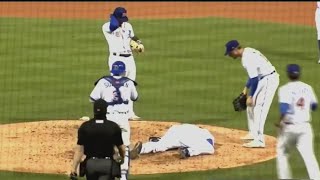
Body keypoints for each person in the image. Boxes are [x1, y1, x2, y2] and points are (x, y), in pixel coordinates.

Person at [224, 40, 280, 148]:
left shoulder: (246, 59)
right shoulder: (248, 51)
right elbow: (253, 75)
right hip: (263, 78)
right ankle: (253, 132)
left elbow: (254, 79)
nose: (229, 55)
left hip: (269, 80)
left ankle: (259, 140)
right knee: (250, 106)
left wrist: (250, 96)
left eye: (230, 53)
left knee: (259, 108)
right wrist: (246, 89)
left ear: (234, 50)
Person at [89, 61, 138, 180]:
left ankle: (108, 172)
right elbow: (135, 97)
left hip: (109, 120)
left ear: (112, 70)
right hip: (123, 119)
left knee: (107, 146)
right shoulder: (129, 82)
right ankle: (123, 175)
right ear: (123, 71)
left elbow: (92, 99)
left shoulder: (103, 81)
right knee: (125, 147)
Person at [276, 64, 320, 180]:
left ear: (288, 74)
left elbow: (284, 109)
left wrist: (279, 122)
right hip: (305, 127)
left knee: (282, 152)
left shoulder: (284, 89)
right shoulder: (308, 87)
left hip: (289, 128)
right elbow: (315, 106)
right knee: (309, 156)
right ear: (299, 74)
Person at [102, 7, 144, 120]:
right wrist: (115, 18)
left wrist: (138, 44)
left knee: (130, 85)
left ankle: (130, 113)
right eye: (121, 18)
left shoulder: (128, 25)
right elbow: (113, 26)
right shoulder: (106, 26)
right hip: (116, 59)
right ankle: (113, 112)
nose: (123, 21)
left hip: (130, 59)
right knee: (116, 86)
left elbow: (133, 37)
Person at [70, 99, 125, 180]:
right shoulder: (113, 127)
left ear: (94, 110)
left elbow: (79, 150)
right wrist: (122, 158)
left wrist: (73, 168)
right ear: (106, 110)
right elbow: (122, 148)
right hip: (107, 164)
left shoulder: (85, 126)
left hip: (90, 165)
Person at [130, 124, 214, 160]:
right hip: (188, 137)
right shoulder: (207, 136)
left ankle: (142, 148)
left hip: (176, 129)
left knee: (161, 144)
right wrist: (189, 150)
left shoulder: (197, 129)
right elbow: (210, 147)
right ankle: (188, 152)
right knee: (210, 149)